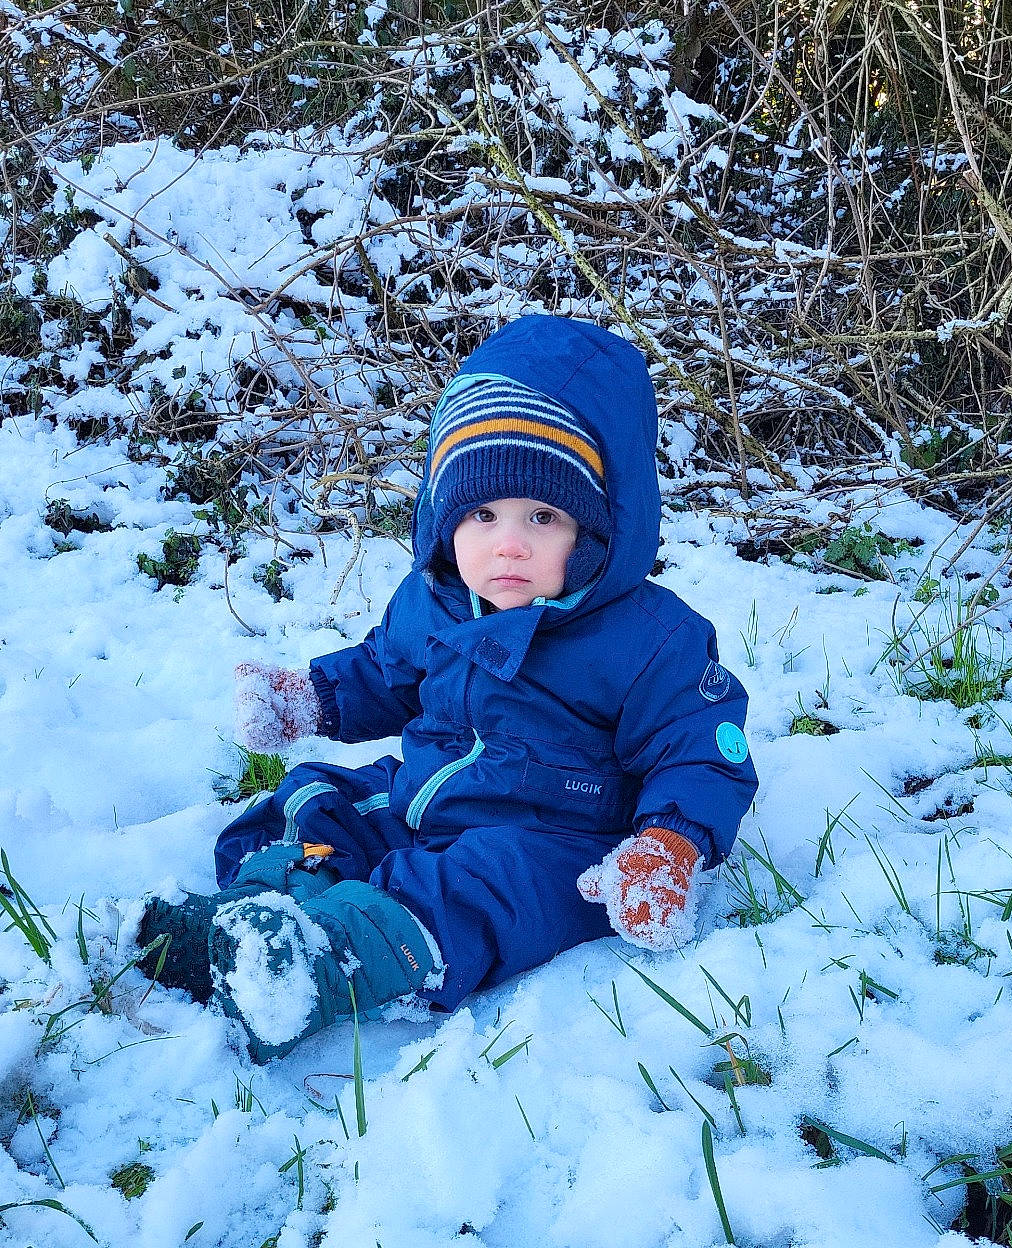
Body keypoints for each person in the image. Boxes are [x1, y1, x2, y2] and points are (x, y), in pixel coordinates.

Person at [139, 315, 758, 1061]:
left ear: (598, 532)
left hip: (556, 839)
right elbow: (386, 672)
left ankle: (325, 961)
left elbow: (701, 751)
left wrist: (668, 843)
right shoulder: (432, 599)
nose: (508, 542)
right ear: (442, 518)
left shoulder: (651, 639)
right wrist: (314, 698)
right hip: (422, 797)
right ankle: (253, 914)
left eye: (543, 516)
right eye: (481, 513)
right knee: (310, 798)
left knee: (481, 886)